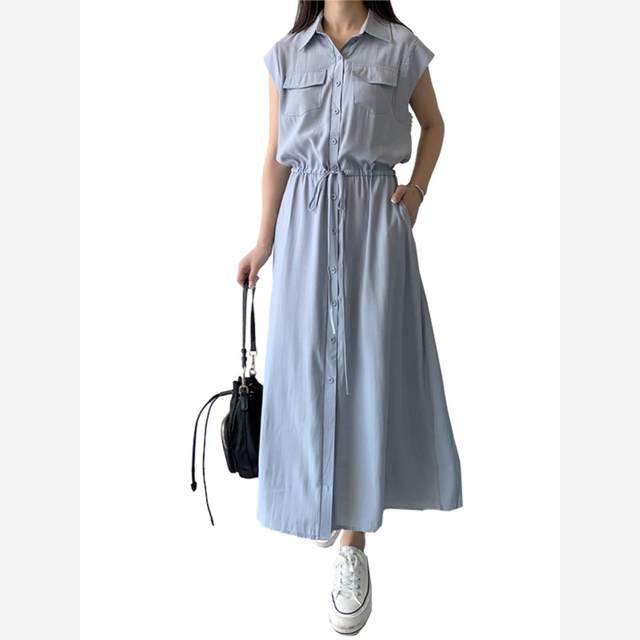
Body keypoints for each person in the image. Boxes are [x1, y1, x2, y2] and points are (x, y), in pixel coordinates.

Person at [237, 1, 462, 633]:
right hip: (305, 227)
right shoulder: (287, 55)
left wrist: (415, 195)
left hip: (373, 230)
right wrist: (263, 242)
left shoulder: (399, 46)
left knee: (362, 372)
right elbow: (277, 154)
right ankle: (320, 499)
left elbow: (435, 125)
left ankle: (352, 544)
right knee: (307, 371)